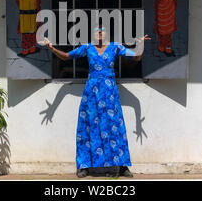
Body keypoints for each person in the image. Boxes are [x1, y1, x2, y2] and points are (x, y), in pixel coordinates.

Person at [40, 25, 150, 178]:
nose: (99, 32)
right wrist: (51, 48)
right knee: (87, 126)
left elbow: (137, 57)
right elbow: (66, 56)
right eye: (96, 30)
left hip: (110, 93)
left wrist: (140, 45)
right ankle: (84, 166)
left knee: (115, 126)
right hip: (91, 94)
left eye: (102, 29)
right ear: (92, 34)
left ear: (107, 33)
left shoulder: (115, 47)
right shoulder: (87, 47)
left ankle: (122, 166)